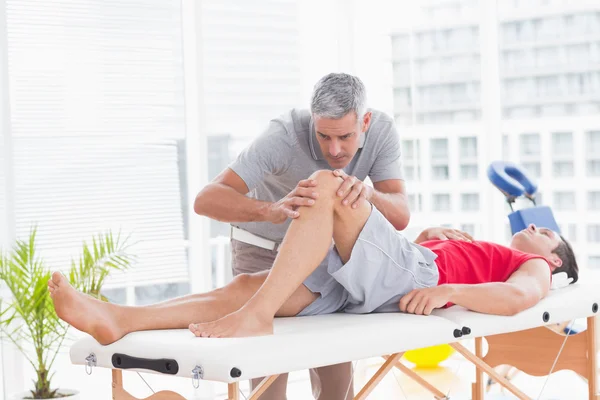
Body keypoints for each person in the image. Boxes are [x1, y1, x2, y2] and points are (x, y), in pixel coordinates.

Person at [49, 169, 579, 355]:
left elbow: (518, 300)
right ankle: (120, 319)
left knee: (329, 186)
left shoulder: (531, 271)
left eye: (547, 233)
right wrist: (431, 237)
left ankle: (256, 318)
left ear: (555, 264)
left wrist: (451, 291)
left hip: (410, 278)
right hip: (382, 281)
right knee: (250, 286)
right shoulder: (489, 248)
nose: (533, 226)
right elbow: (402, 257)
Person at [192, 72, 410, 399]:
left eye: (345, 137)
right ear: (313, 123)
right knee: (269, 379)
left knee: (336, 379)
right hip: (261, 250)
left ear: (364, 121)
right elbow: (206, 199)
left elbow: (400, 215)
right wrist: (271, 210)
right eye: (324, 136)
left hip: (324, 257)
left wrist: (367, 193)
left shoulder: (381, 132)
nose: (334, 150)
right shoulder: (282, 136)